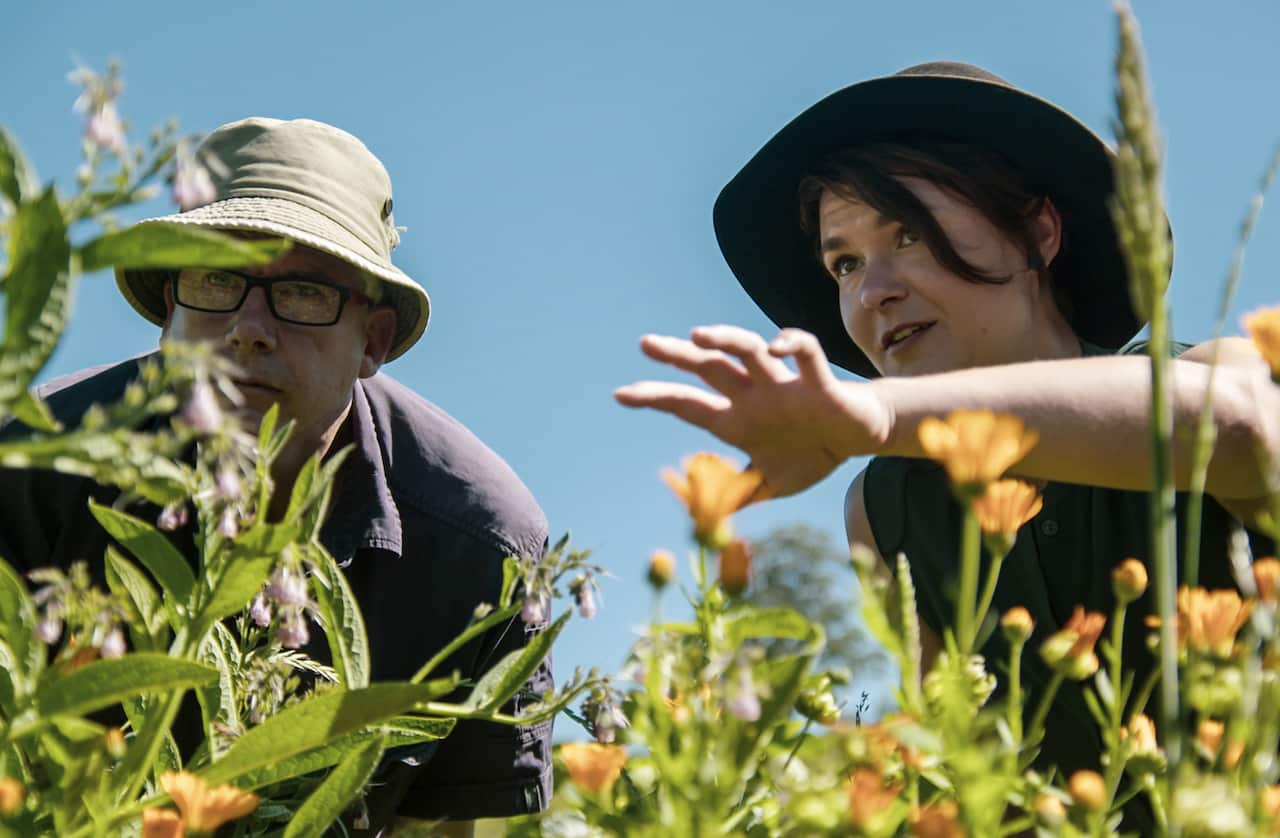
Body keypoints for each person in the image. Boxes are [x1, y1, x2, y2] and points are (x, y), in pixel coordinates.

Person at [616, 62, 1279, 779]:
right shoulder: (885, 508)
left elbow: (1236, 432)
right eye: (842, 265)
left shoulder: (1217, 369)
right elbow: (961, 762)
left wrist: (878, 415)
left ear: (1038, 231)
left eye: (906, 235)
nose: (873, 292)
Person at [0, 117, 552, 833]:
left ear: (373, 340)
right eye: (213, 278)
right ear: (170, 311)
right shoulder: (28, 466)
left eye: (302, 293)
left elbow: (444, 822)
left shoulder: (477, 543)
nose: (248, 327)